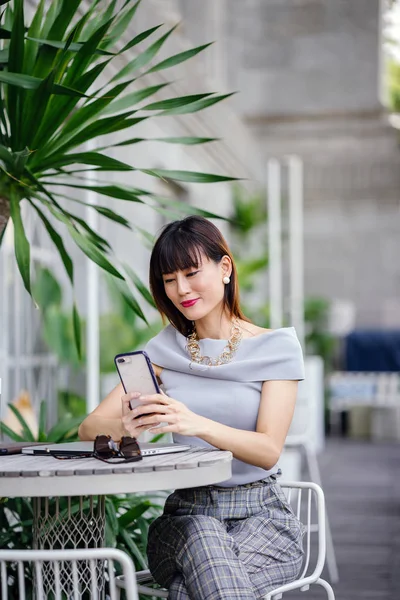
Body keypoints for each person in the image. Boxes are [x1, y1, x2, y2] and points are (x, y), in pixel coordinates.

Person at [79, 215, 305, 600]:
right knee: (201, 534)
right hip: (185, 516)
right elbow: (90, 427)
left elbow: (268, 451)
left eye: (190, 272)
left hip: (263, 518)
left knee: (188, 590)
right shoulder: (163, 350)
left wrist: (194, 423)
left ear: (225, 268)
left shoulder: (276, 348)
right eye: (169, 280)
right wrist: (127, 425)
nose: (180, 289)